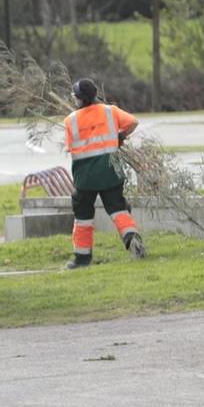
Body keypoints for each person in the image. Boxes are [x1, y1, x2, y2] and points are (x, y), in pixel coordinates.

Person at [63, 77, 146, 268]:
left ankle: (82, 259)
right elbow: (133, 122)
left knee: (83, 216)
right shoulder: (111, 111)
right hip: (111, 171)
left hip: (85, 177)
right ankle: (133, 240)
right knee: (118, 209)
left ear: (80, 99)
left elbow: (70, 147)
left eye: (75, 97)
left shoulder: (70, 120)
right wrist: (119, 136)